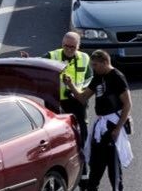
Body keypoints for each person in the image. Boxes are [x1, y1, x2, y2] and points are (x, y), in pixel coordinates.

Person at [65, 50, 132, 191]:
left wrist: (117, 129)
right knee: (96, 160)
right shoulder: (98, 77)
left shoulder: (117, 77)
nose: (93, 68)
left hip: (112, 123)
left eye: (95, 65)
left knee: (112, 161)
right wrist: (70, 85)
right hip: (100, 124)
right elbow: (83, 98)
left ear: (104, 62)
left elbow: (128, 104)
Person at [20, 32, 92, 169]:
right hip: (56, 100)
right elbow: (38, 65)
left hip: (76, 99)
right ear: (62, 44)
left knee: (82, 129)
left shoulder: (84, 58)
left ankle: (84, 161)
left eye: (73, 47)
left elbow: (89, 78)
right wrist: (27, 60)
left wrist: (80, 90)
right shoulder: (53, 56)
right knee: (55, 132)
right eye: (66, 46)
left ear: (79, 46)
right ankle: (57, 160)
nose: (69, 49)